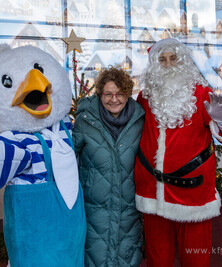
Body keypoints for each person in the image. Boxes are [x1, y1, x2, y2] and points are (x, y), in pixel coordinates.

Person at [134, 38, 222, 267]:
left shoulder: (203, 94)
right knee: (158, 259)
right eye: (162, 60)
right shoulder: (144, 98)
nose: (168, 64)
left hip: (193, 193)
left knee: (196, 258)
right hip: (153, 194)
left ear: (183, 61)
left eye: (173, 58)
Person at [73, 67, 145, 266]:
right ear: (100, 94)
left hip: (128, 204)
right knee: (96, 256)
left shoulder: (140, 119)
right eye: (108, 94)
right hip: (94, 205)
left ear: (128, 93)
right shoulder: (85, 120)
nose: (114, 99)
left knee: (127, 256)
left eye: (120, 94)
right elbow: (70, 158)